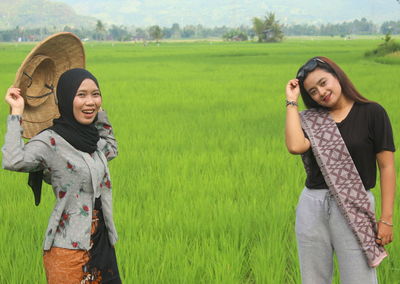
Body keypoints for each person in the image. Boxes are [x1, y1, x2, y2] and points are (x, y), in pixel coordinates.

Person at [3, 68, 121, 283]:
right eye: (81, 95)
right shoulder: (51, 141)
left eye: (95, 94)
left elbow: (112, 148)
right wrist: (17, 112)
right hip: (68, 252)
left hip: (102, 245)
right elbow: (13, 161)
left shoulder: (93, 141)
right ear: (66, 99)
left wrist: (98, 111)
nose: (90, 101)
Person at [285, 56, 395, 283]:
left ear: (337, 76)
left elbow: (386, 167)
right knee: (313, 278)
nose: (321, 93)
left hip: (354, 204)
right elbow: (295, 146)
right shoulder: (312, 120)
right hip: (313, 206)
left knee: (359, 278)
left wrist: (386, 219)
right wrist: (291, 101)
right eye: (313, 92)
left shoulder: (372, 112)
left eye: (323, 83)